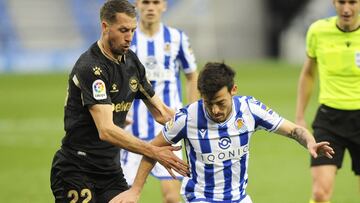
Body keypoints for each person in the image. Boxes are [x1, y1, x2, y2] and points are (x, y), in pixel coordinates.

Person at [110, 62, 335, 203]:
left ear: (233, 91)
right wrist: (136, 190)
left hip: (239, 198)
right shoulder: (188, 117)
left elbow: (294, 130)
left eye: (220, 102)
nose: (215, 110)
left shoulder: (249, 109)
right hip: (200, 198)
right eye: (209, 104)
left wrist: (310, 143)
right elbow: (152, 148)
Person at [50, 1, 189, 202]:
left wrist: (198, 123)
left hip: (110, 170)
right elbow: (106, 130)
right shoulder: (91, 67)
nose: (129, 38)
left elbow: (162, 113)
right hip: (77, 169)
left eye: (132, 30)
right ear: (105, 27)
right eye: (123, 30)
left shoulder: (132, 62)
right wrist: (154, 151)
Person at [119, 0, 198, 202]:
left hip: (168, 129)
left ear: (164, 6)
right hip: (132, 131)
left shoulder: (176, 38)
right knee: (124, 196)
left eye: (156, 2)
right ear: (137, 4)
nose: (150, 7)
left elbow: (191, 75)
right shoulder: (127, 39)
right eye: (146, 2)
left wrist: (192, 111)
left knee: (172, 198)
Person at [295, 0, 360, 202]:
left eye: (353, 2)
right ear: (333, 2)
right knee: (320, 194)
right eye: (341, 2)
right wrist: (299, 116)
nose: (346, 8)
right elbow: (308, 73)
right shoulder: (318, 31)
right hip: (330, 120)